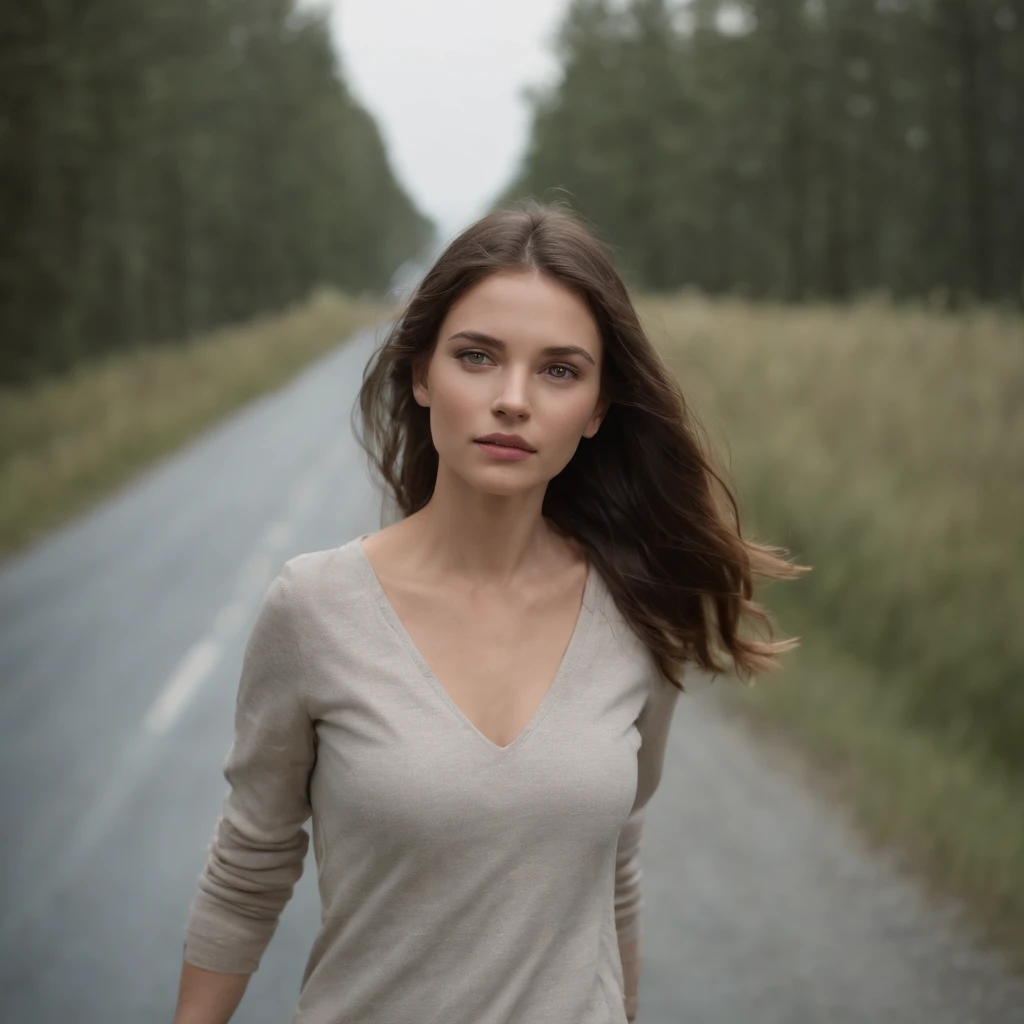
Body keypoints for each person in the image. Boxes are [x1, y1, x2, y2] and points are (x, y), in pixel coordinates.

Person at [172, 199, 806, 1024]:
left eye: (559, 370)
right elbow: (249, 868)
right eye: (477, 357)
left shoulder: (636, 612)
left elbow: (614, 861)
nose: (513, 399)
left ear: (599, 409)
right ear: (420, 373)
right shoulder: (316, 609)